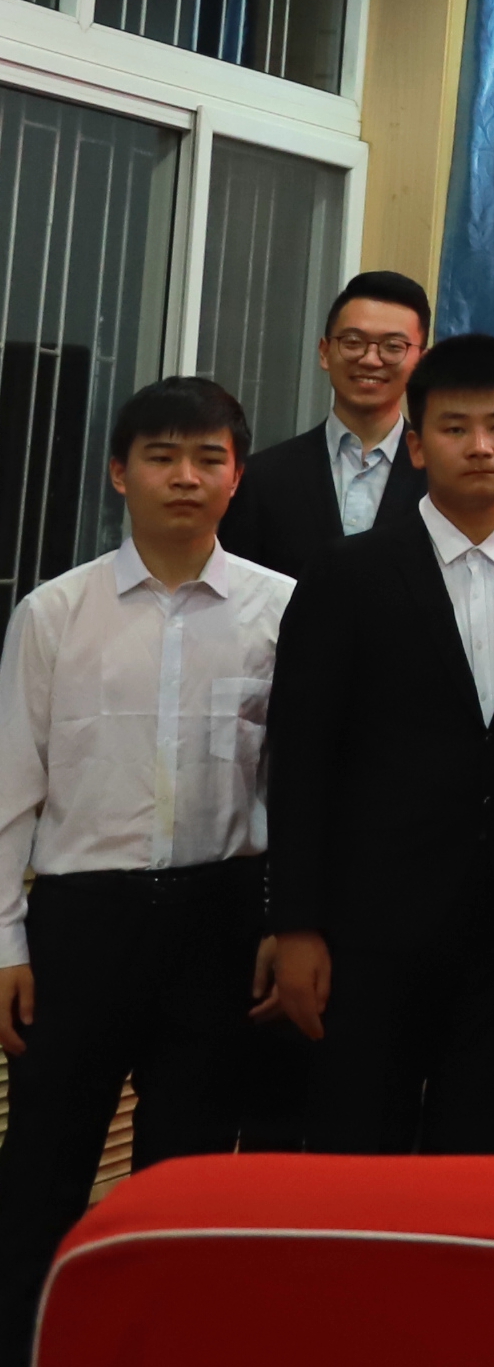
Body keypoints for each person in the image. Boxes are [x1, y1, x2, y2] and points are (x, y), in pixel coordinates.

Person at [0, 380, 287, 1345]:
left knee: (188, 1175)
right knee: (43, 1166)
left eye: (209, 458)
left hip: (220, 917)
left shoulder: (280, 611)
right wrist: (4, 943)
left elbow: (294, 787)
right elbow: (10, 791)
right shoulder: (55, 612)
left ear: (237, 477)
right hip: (81, 921)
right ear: (120, 473)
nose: (186, 477)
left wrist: (282, 921)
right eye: (162, 457)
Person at [264, 334, 494, 1155]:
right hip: (369, 928)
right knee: (355, 1154)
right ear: (416, 445)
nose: (479, 445)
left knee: (484, 1160)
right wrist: (296, 924)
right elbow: (299, 759)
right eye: (454, 427)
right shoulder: (347, 574)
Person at [220, 270, 430, 587]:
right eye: (353, 342)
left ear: (421, 362)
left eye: (393, 346)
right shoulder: (261, 479)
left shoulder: (444, 477)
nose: (371, 359)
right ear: (324, 352)